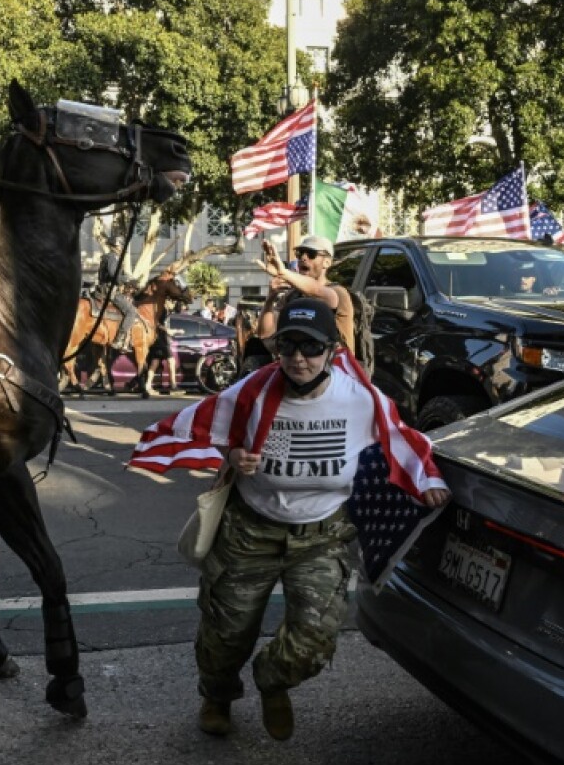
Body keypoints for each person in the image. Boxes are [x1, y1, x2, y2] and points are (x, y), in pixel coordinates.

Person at [136, 297, 449, 740]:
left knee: (315, 638)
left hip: (322, 534)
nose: (298, 358)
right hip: (250, 529)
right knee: (226, 631)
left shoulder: (360, 398)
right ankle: (217, 695)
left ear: (332, 350)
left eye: (311, 347)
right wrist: (233, 454)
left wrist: (427, 479)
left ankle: (273, 680)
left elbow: (400, 437)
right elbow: (208, 425)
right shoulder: (252, 390)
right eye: (288, 346)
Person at [257, 235, 355, 356]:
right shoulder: (292, 295)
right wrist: (270, 299)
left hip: (333, 365)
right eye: (300, 254)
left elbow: (318, 292)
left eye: (311, 254)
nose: (303, 258)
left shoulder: (338, 292)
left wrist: (283, 273)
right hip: (298, 365)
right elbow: (265, 334)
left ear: (327, 262)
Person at [97, 251, 140, 352]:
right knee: (131, 311)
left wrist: (129, 278)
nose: (122, 249)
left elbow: (117, 274)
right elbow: (114, 274)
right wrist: (126, 279)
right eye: (121, 246)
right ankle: (118, 340)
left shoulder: (110, 257)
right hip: (109, 291)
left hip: (106, 289)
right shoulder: (113, 257)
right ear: (117, 246)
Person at [143, 300, 180, 395]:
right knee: (171, 362)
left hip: (160, 339)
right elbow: (156, 323)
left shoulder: (165, 311)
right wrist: (168, 330)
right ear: (167, 302)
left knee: (155, 362)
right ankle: (173, 386)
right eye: (173, 303)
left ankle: (148, 385)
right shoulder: (162, 310)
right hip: (161, 340)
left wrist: (174, 331)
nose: (174, 305)